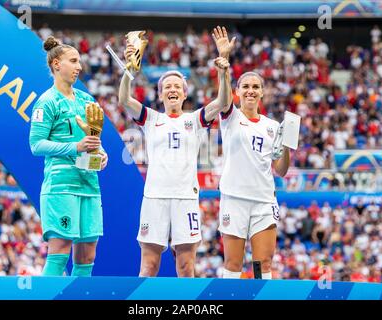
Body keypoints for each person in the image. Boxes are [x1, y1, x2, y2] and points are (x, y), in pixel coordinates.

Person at [118, 27, 232, 277]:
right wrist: (129, 69)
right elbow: (124, 99)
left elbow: (224, 103)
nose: (172, 89)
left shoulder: (195, 120)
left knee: (185, 266)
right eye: (167, 86)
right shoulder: (151, 118)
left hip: (185, 198)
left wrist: (224, 72)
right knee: (149, 266)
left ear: (184, 93)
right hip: (155, 197)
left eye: (177, 86)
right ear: (159, 94)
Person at [29, 36, 108, 276]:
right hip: (61, 187)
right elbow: (36, 144)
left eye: (79, 61)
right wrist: (75, 147)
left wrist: (101, 153)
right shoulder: (47, 101)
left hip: (89, 185)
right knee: (60, 252)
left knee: (87, 255)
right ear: (56, 65)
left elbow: (94, 140)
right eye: (73, 61)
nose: (79, 66)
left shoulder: (87, 100)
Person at [216, 29, 291, 280]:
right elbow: (223, 97)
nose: (250, 90)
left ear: (262, 92)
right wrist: (224, 65)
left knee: (263, 265)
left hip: (263, 200)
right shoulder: (229, 116)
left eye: (255, 87)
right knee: (233, 265)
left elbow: (280, 170)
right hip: (234, 198)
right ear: (237, 91)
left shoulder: (273, 126)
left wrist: (288, 146)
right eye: (245, 86)